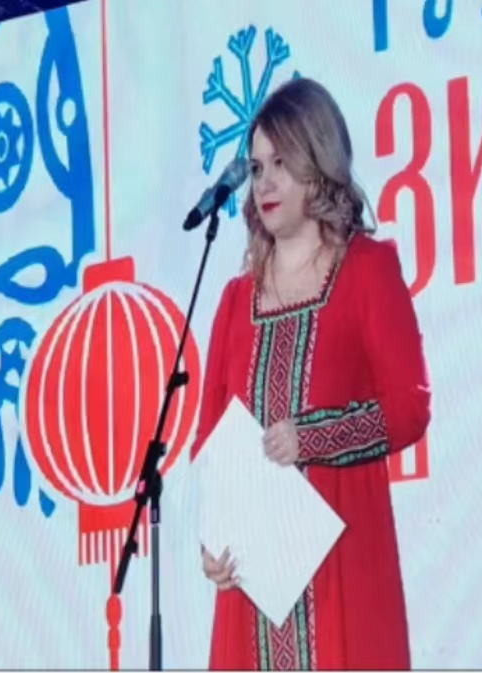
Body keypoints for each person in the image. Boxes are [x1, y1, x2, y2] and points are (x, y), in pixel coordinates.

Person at [189, 77, 432, 671]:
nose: (264, 181)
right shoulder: (233, 301)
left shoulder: (368, 270)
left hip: (341, 578)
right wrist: (214, 542)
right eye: (256, 167)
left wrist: (313, 437)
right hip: (252, 600)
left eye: (281, 163)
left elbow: (409, 407)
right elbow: (210, 442)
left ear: (319, 164)